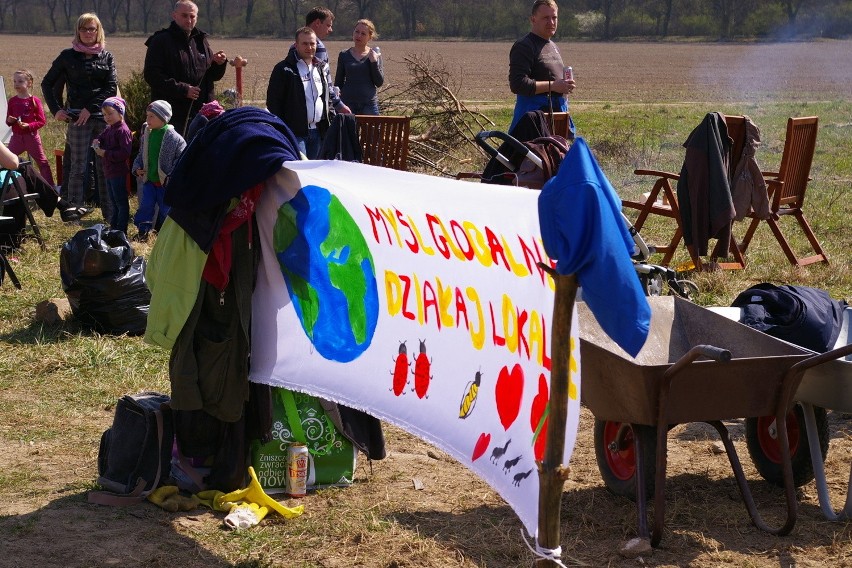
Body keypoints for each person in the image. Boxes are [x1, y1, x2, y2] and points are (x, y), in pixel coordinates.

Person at [41, 12, 117, 217]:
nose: (88, 33)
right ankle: (73, 211)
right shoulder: (67, 56)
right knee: (77, 167)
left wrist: (90, 108)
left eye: (92, 28)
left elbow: (111, 88)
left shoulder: (107, 56)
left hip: (103, 117)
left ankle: (110, 213)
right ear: (78, 31)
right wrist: (56, 110)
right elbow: (46, 83)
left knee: (104, 166)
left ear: (98, 31)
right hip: (77, 119)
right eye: (84, 29)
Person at [143, 0, 229, 137]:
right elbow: (152, 75)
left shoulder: (201, 40)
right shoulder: (160, 40)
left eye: (192, 16)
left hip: (202, 114)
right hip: (172, 115)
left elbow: (211, 77)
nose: (189, 20)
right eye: (184, 16)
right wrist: (183, 90)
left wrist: (218, 64)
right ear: (174, 15)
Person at [508, 0, 576, 132]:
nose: (551, 22)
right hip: (531, 124)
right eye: (546, 18)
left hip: (556, 121)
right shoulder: (524, 46)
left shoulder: (553, 46)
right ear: (533, 19)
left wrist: (564, 87)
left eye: (554, 17)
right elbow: (518, 84)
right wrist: (554, 86)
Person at [267, 28, 333, 159]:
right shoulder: (283, 69)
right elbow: (273, 102)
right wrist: (284, 128)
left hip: (318, 132)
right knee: (300, 172)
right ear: (296, 45)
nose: (309, 47)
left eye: (312, 43)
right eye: (305, 43)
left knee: (315, 173)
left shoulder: (321, 67)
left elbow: (327, 98)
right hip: (295, 134)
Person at [132, 100, 186, 241]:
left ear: (163, 118)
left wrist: (171, 176)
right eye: (147, 116)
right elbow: (141, 155)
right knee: (146, 207)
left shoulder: (174, 138)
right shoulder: (147, 136)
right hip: (149, 181)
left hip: (164, 184)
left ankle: (167, 236)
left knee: (166, 210)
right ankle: (143, 232)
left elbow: (181, 159)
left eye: (151, 116)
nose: (147, 120)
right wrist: (137, 168)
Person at [288, 7, 351, 115]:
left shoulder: (295, 46)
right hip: (315, 110)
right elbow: (322, 81)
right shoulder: (318, 46)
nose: (330, 30)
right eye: (328, 25)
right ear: (317, 22)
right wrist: (339, 105)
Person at [6, 69, 54, 185]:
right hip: (17, 138)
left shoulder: (35, 101)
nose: (16, 84)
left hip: (32, 138)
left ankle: (50, 188)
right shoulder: (12, 101)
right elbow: (8, 121)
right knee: (6, 161)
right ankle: (7, 187)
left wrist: (29, 126)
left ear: (29, 83)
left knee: (43, 163)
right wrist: (10, 120)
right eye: (15, 81)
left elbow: (42, 121)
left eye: (20, 81)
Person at [93, 96, 133, 234]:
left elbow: (125, 152)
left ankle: (121, 230)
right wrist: (97, 141)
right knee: (114, 202)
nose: (107, 117)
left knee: (121, 202)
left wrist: (105, 153)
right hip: (109, 171)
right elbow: (101, 137)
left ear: (120, 113)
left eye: (110, 113)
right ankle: (114, 227)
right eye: (104, 114)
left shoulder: (122, 130)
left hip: (118, 171)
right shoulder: (110, 128)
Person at [334, 19, 384, 115]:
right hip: (347, 104)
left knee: (372, 130)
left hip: (368, 104)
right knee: (347, 130)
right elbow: (338, 82)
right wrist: (337, 103)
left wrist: (373, 62)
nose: (359, 35)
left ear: (370, 37)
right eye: (356, 32)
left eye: (363, 33)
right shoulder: (344, 54)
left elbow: (379, 82)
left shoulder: (374, 55)